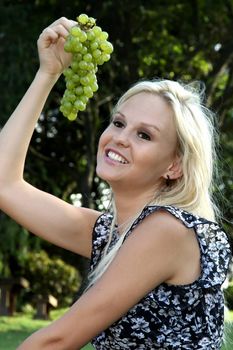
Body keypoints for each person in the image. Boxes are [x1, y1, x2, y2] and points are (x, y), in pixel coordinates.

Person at [0, 16, 231, 350]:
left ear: (174, 165)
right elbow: (5, 185)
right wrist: (47, 73)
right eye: (119, 122)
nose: (119, 138)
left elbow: (55, 341)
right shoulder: (112, 234)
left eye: (144, 135)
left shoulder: (168, 230)